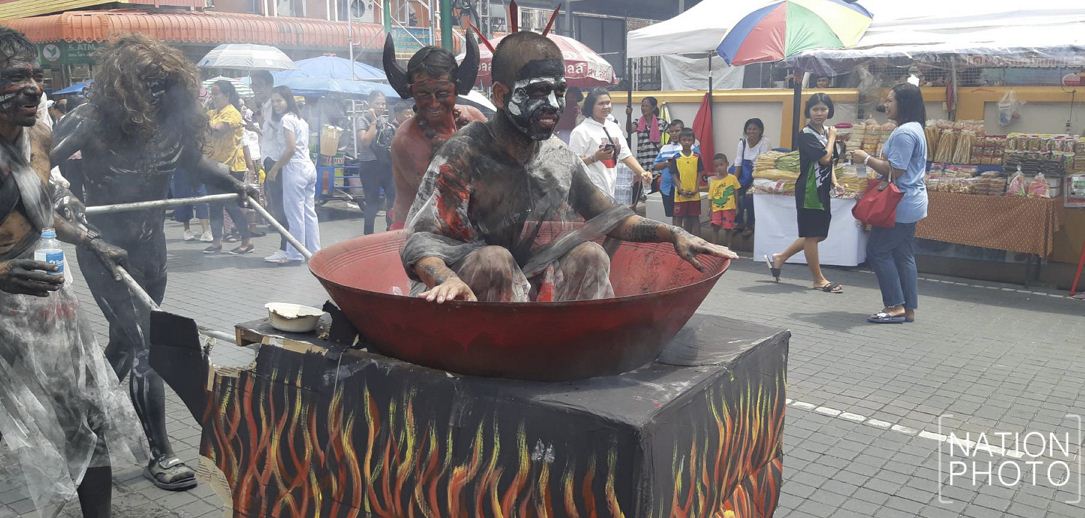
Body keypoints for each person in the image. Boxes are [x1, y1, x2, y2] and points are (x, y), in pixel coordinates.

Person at [50, 34, 258, 491]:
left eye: (165, 84)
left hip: (153, 251)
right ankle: (159, 453)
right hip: (105, 250)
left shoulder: (170, 124)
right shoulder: (91, 119)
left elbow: (194, 163)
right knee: (148, 347)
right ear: (123, 85)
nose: (159, 93)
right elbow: (34, 167)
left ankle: (89, 418)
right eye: (149, 84)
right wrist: (63, 205)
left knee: (125, 344)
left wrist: (235, 183)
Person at [402, 31, 736, 304]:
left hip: (527, 285)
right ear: (501, 96)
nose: (553, 105)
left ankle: (574, 344)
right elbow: (421, 243)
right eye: (537, 92)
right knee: (494, 260)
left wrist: (674, 233)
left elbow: (613, 217)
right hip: (461, 292)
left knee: (590, 254)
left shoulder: (557, 156)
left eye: (559, 91)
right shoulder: (466, 151)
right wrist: (446, 279)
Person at [0, 27, 147, 517]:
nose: (34, 88)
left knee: (86, 416)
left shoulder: (40, 137)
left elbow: (39, 213)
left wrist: (90, 239)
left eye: (37, 76)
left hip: (45, 305)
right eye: (15, 76)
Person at [384, 35, 487, 229]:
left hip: (473, 225)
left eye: (442, 93)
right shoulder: (406, 139)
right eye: (423, 94)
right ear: (412, 93)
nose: (433, 103)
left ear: (456, 89)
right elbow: (440, 196)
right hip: (417, 229)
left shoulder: (474, 118)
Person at [851, 83, 929, 323]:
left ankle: (895, 306)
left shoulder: (904, 133)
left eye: (890, 100)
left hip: (899, 203)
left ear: (904, 103)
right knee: (903, 254)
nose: (886, 105)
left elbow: (896, 171)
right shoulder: (915, 128)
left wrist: (866, 158)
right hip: (910, 201)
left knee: (878, 250)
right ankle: (908, 307)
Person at [765, 93, 844, 293]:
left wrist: (835, 183)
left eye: (823, 109)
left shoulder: (826, 132)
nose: (819, 113)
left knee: (818, 235)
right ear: (808, 111)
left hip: (822, 189)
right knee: (812, 235)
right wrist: (833, 138)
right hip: (810, 191)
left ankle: (780, 257)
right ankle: (818, 279)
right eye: (815, 109)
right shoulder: (806, 134)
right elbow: (824, 158)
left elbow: (829, 163)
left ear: (829, 111)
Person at [263, 86, 320, 264]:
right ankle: (314, 251)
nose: (276, 104)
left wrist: (275, 168)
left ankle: (295, 254)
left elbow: (290, 148)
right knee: (309, 213)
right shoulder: (300, 119)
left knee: (295, 215)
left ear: (288, 100)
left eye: (279, 100)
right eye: (273, 101)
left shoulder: (287, 120)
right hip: (308, 167)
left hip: (295, 169)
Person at [569, 88, 651, 203]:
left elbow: (626, 155)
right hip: (589, 192)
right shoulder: (581, 131)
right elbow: (572, 164)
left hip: (610, 188)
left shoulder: (613, 127)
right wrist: (594, 157)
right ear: (591, 106)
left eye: (608, 102)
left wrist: (642, 173)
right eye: (601, 103)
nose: (606, 106)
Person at [203, 80, 254, 255]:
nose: (213, 97)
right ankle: (216, 242)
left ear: (227, 95)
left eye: (216, 93)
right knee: (214, 204)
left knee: (231, 205)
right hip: (212, 165)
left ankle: (247, 240)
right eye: (211, 93)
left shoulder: (232, 113)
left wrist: (202, 121)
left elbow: (218, 130)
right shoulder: (212, 112)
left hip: (231, 166)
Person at [250, 70, 291, 253]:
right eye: (253, 85)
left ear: (269, 86)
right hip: (270, 158)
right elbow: (268, 133)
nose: (255, 89)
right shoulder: (266, 106)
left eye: (258, 85)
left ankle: (286, 246)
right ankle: (286, 246)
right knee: (276, 204)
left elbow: (280, 135)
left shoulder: (275, 107)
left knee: (281, 205)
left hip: (276, 160)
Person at [354, 90, 396, 234]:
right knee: (372, 203)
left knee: (393, 199)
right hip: (369, 165)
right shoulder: (362, 120)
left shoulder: (384, 121)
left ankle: (391, 230)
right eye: (377, 103)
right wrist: (373, 121)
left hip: (385, 165)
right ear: (369, 104)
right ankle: (368, 235)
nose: (381, 106)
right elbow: (365, 141)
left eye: (383, 104)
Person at [652, 120, 696, 224]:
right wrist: (667, 164)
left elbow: (697, 165)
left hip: (685, 186)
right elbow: (655, 166)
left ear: (683, 131)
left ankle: (687, 233)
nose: (674, 134)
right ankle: (675, 233)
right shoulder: (664, 148)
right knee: (674, 215)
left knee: (688, 216)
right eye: (671, 131)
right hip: (667, 188)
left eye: (677, 131)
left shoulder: (690, 147)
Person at [734, 118, 770, 236]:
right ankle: (739, 222)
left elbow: (762, 165)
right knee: (736, 193)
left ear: (760, 130)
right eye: (749, 129)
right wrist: (733, 182)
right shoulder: (742, 143)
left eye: (755, 129)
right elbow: (738, 162)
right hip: (743, 175)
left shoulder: (764, 142)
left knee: (749, 196)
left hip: (759, 175)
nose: (751, 131)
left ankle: (750, 225)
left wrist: (754, 184)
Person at [630, 96, 666, 202]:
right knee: (637, 189)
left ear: (653, 108)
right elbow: (629, 129)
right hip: (642, 161)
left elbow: (673, 133)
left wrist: (665, 148)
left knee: (654, 190)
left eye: (646, 106)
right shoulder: (638, 122)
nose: (643, 108)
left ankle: (653, 208)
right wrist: (628, 115)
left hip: (656, 161)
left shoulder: (661, 122)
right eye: (642, 106)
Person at [669, 128, 704, 237]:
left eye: (689, 140)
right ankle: (679, 239)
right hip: (680, 195)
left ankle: (696, 241)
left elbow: (700, 173)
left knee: (695, 218)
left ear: (693, 141)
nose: (687, 142)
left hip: (694, 194)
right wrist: (680, 188)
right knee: (679, 218)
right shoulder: (676, 157)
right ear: (680, 141)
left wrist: (696, 188)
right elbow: (673, 174)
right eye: (684, 140)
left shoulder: (697, 157)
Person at [709, 153, 741, 247]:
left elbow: (736, 193)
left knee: (728, 228)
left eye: (721, 164)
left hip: (729, 208)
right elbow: (710, 197)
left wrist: (737, 206)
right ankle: (714, 247)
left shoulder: (732, 178)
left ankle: (729, 247)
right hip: (716, 209)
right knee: (715, 227)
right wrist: (710, 209)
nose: (719, 168)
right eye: (716, 166)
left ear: (727, 164)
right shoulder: (713, 181)